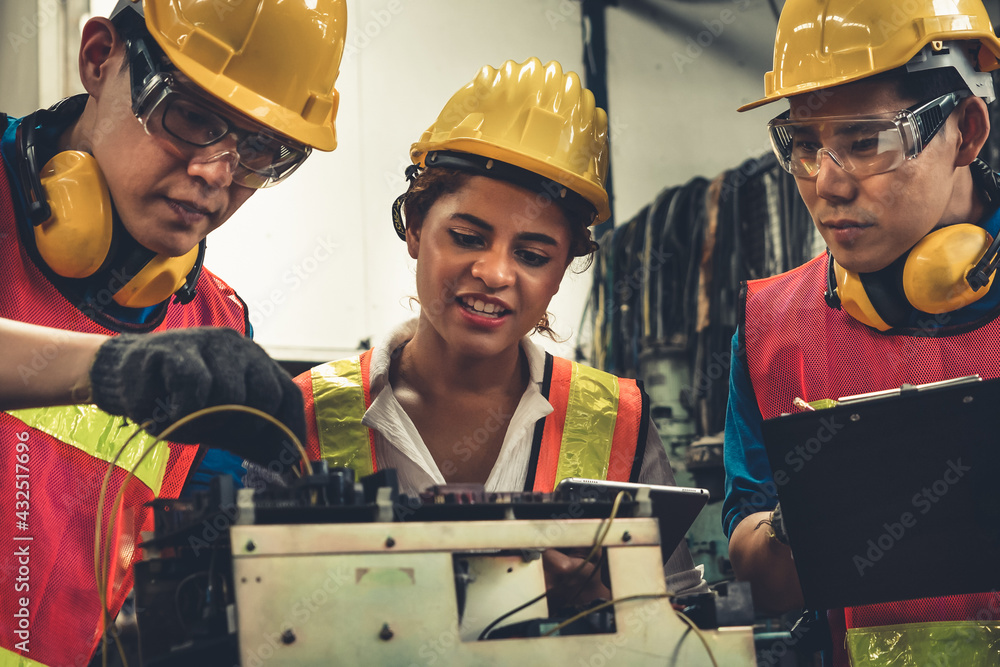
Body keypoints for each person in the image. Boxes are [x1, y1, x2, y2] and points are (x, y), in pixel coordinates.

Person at [0, 0, 345, 663]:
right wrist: (109, 368)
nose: (218, 174)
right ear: (100, 58)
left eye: (260, 149)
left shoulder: (216, 323)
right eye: (191, 116)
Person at [294, 57, 707, 609]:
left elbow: (685, 630)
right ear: (415, 227)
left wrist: (611, 612)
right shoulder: (305, 417)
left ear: (562, 271)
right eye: (467, 236)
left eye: (533, 255)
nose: (495, 273)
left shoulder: (618, 424)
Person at [722, 0, 1000, 664]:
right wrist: (820, 514)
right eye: (804, 144)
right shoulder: (771, 329)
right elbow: (756, 573)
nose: (825, 183)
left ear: (965, 131)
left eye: (865, 140)